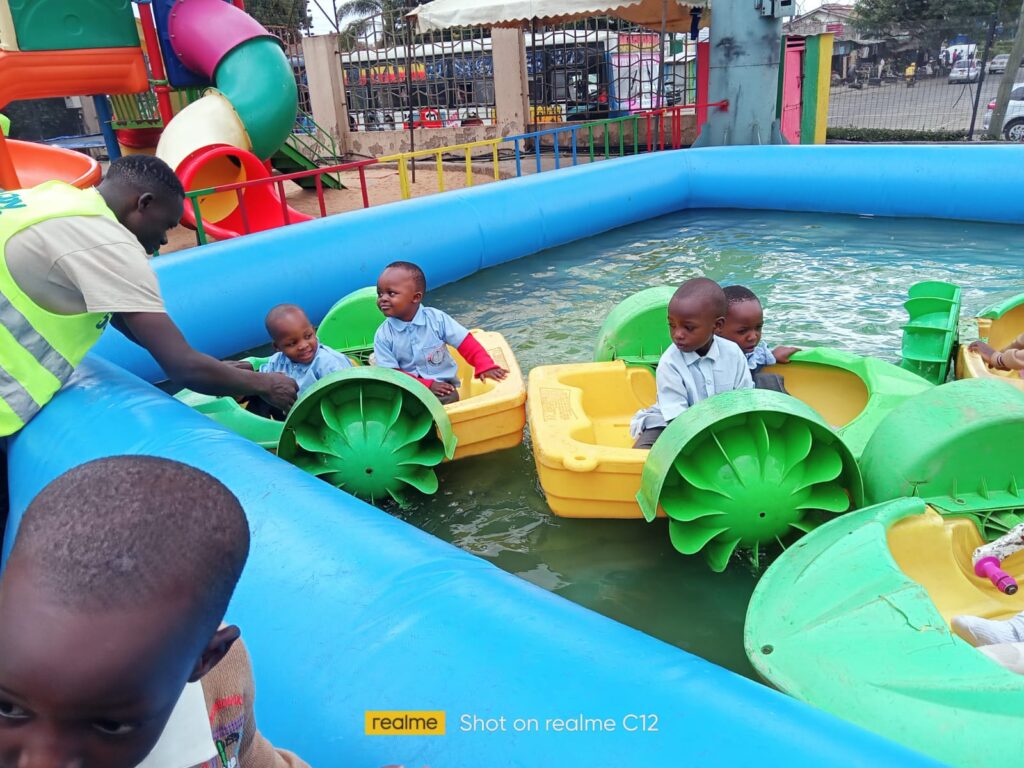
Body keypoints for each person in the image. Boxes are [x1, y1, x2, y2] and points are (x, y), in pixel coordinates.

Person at [0, 455, 308, 768]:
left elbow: (249, 754)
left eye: (110, 726)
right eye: (6, 707)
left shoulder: (222, 682)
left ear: (205, 659)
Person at [0, 154, 298, 438]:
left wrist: (216, 369)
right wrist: (266, 384)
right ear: (144, 203)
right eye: (167, 225)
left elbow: (124, 316)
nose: (165, 239)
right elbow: (184, 368)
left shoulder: (57, 197)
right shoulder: (110, 245)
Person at [630, 278, 753, 449]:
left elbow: (745, 399)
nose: (678, 334)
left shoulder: (733, 353)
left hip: (723, 423)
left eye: (688, 328)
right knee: (646, 450)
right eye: (672, 325)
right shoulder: (669, 363)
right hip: (672, 424)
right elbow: (677, 418)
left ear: (717, 325)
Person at [373, 261, 507, 404]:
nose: (383, 299)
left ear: (415, 297)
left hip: (441, 386)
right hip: (407, 389)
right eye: (380, 294)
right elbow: (392, 374)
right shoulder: (383, 335)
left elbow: (465, 342)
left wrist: (485, 365)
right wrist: (427, 385)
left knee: (449, 397)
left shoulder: (437, 319)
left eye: (391, 293)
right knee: (393, 402)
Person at [233, 303, 352, 417]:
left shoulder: (327, 363)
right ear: (277, 347)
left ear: (313, 330)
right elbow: (262, 381)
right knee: (258, 396)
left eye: (308, 336)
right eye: (292, 343)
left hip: (322, 413)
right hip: (289, 412)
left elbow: (346, 394)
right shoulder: (277, 361)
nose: (303, 346)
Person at [718, 285, 800, 393]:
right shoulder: (714, 360)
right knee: (767, 381)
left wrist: (772, 356)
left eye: (758, 328)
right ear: (717, 328)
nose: (753, 337)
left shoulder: (746, 353)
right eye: (742, 331)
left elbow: (753, 358)